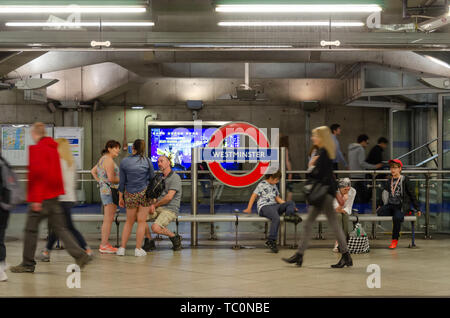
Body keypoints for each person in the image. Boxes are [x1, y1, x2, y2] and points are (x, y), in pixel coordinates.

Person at [10, 123, 89, 273]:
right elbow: (55, 175)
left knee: (30, 230)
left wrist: (37, 200)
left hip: (41, 198)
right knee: (61, 228)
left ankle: (27, 264)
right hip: (55, 197)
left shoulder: (37, 149)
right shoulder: (54, 149)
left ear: (34, 134)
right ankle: (80, 255)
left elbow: (38, 175)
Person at [283, 126, 353, 268]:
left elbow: (326, 176)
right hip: (323, 194)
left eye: (314, 135)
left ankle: (345, 255)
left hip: (323, 195)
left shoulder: (325, 153)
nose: (312, 138)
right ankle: (300, 255)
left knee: (331, 225)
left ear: (321, 137)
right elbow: (330, 176)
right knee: (314, 224)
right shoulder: (323, 152)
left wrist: (313, 169)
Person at [36, 138, 92, 261]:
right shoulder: (71, 162)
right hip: (69, 198)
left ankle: (86, 250)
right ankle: (46, 252)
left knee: (64, 227)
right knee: (59, 227)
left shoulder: (58, 162)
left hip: (59, 199)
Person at [243, 171, 301, 253]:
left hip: (274, 206)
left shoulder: (274, 186)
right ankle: (271, 240)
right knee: (276, 218)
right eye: (276, 180)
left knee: (290, 203)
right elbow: (253, 196)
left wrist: (291, 207)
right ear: (270, 177)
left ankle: (289, 215)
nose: (277, 182)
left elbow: (277, 199)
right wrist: (249, 208)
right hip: (264, 207)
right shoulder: (261, 184)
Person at [116, 139, 155, 257]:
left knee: (129, 222)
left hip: (130, 194)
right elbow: (152, 178)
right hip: (144, 194)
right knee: (141, 222)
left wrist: (120, 197)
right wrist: (153, 199)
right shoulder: (147, 161)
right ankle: (138, 249)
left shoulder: (124, 162)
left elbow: (122, 182)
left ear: (133, 148)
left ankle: (122, 248)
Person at [377, 159, 421, 249]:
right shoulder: (389, 180)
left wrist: (418, 208)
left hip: (401, 205)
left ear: (400, 169)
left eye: (395, 168)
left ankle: (394, 240)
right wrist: (380, 205)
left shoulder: (405, 180)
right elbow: (384, 193)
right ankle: (400, 214)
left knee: (396, 218)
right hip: (391, 205)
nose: (393, 170)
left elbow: (412, 194)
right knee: (380, 212)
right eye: (391, 168)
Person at [91, 140, 121, 254]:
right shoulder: (108, 160)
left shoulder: (102, 159)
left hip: (105, 190)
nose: (117, 150)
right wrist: (124, 179)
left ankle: (105, 243)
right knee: (108, 218)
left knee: (107, 218)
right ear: (109, 148)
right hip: (110, 191)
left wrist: (100, 182)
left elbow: (92, 171)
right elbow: (111, 179)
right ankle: (104, 244)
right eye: (116, 148)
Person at [147, 155, 182, 251]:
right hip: (158, 207)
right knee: (140, 217)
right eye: (158, 162)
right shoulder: (159, 178)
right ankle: (149, 241)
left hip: (170, 209)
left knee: (155, 228)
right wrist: (152, 203)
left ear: (168, 162)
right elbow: (156, 195)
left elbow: (169, 197)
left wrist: (155, 205)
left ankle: (174, 237)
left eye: (161, 161)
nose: (159, 163)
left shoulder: (175, 177)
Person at [348, 134, 383, 204]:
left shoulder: (351, 149)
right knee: (363, 195)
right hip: (359, 174)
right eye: (367, 143)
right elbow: (362, 163)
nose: (367, 145)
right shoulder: (360, 149)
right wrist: (375, 167)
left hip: (352, 173)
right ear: (363, 141)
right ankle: (362, 210)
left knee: (355, 193)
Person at [332, 178, 356, 252]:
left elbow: (349, 207)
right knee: (338, 216)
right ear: (340, 188)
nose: (347, 191)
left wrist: (342, 210)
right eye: (345, 189)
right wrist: (343, 200)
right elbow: (335, 209)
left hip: (343, 211)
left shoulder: (352, 191)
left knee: (345, 216)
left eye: (348, 189)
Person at [280, 135, 294, 201]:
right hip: (285, 171)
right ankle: (288, 204)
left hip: (278, 171)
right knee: (289, 190)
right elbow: (287, 161)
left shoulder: (278, 149)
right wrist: (290, 172)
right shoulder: (285, 149)